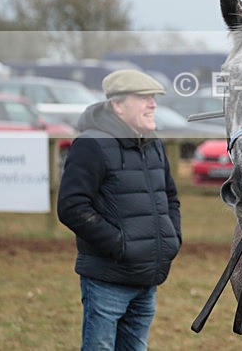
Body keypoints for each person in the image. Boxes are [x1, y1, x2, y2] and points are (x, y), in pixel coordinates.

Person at [57, 69, 181, 350]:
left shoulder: (153, 144)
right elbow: (71, 206)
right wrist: (121, 245)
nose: (153, 104)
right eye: (143, 98)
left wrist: (171, 238)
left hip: (147, 278)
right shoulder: (91, 145)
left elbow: (171, 197)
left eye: (153, 98)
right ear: (117, 105)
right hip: (106, 280)